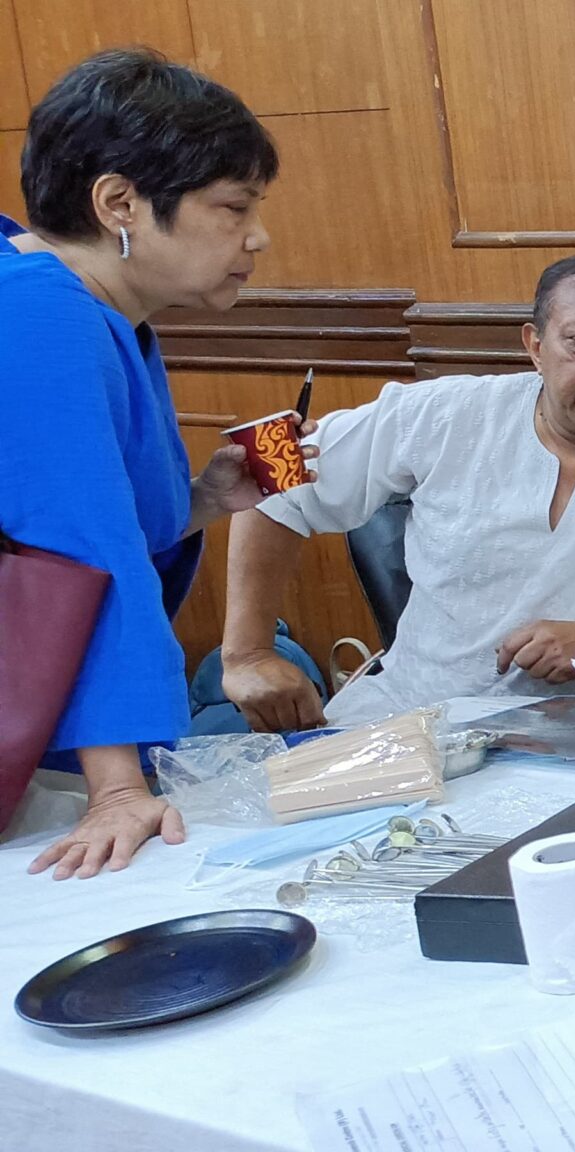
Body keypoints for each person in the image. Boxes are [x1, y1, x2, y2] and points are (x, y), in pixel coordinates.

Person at [219, 252, 575, 727]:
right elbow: (272, 481)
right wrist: (246, 655)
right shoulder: (445, 413)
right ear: (535, 346)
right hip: (413, 716)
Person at [1, 49, 280, 879]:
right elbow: (76, 552)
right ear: (119, 201)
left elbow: (104, 519)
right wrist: (117, 787)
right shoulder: (41, 316)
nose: (257, 236)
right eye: (233, 208)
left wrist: (201, 502)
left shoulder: (88, 306)